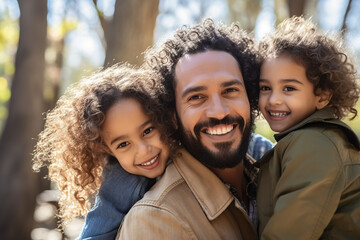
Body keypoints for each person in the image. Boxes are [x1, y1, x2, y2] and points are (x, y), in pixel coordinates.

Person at [115, 19, 273, 239]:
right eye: (197, 97)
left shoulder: (278, 176)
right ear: (173, 116)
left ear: (250, 97)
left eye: (230, 90)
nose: (218, 112)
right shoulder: (154, 222)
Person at [32, 64, 176, 239]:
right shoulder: (122, 184)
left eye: (147, 131)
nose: (143, 150)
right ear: (107, 149)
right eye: (123, 144)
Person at [256, 16, 360, 240]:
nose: (273, 99)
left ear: (322, 95)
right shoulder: (307, 138)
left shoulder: (315, 144)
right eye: (265, 87)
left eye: (289, 88)